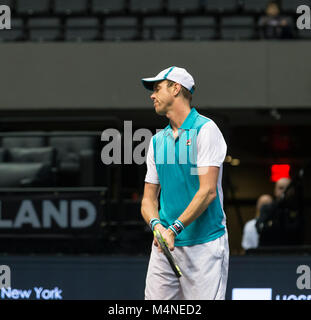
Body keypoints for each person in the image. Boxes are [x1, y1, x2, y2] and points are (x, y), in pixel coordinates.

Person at [140, 66, 229, 300]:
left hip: (205, 246)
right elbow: (148, 199)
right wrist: (157, 226)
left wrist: (174, 229)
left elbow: (208, 191)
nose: (152, 95)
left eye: (157, 88)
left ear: (176, 89)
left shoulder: (206, 130)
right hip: (165, 248)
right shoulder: (158, 141)